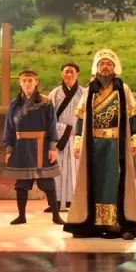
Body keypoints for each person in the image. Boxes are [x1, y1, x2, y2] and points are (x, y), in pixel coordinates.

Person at [64, 49, 136, 239]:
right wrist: (78, 142)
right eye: (102, 64)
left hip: (115, 144)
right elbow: (81, 118)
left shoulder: (123, 89)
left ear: (114, 67)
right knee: (94, 182)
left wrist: (135, 138)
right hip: (94, 144)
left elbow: (133, 115)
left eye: (108, 64)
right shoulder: (89, 90)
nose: (105, 67)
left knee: (113, 182)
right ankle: (93, 222)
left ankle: (115, 223)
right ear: (96, 68)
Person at [4, 69, 62, 224]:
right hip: (21, 147)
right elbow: (9, 128)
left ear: (36, 82)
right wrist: (9, 149)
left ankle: (56, 215)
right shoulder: (14, 104)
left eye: (30, 80)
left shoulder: (45, 102)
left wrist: (52, 147)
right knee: (21, 184)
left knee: (48, 183)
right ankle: (21, 216)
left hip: (41, 146)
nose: (27, 83)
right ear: (20, 83)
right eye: (24, 81)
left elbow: (52, 125)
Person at [47, 62, 84, 213]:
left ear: (77, 74)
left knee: (76, 169)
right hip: (59, 136)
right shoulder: (54, 94)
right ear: (62, 73)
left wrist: (79, 130)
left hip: (78, 137)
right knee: (58, 169)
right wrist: (64, 129)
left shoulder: (84, 93)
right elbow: (49, 118)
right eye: (66, 71)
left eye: (71, 72)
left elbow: (88, 115)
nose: (68, 74)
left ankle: (73, 201)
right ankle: (55, 202)